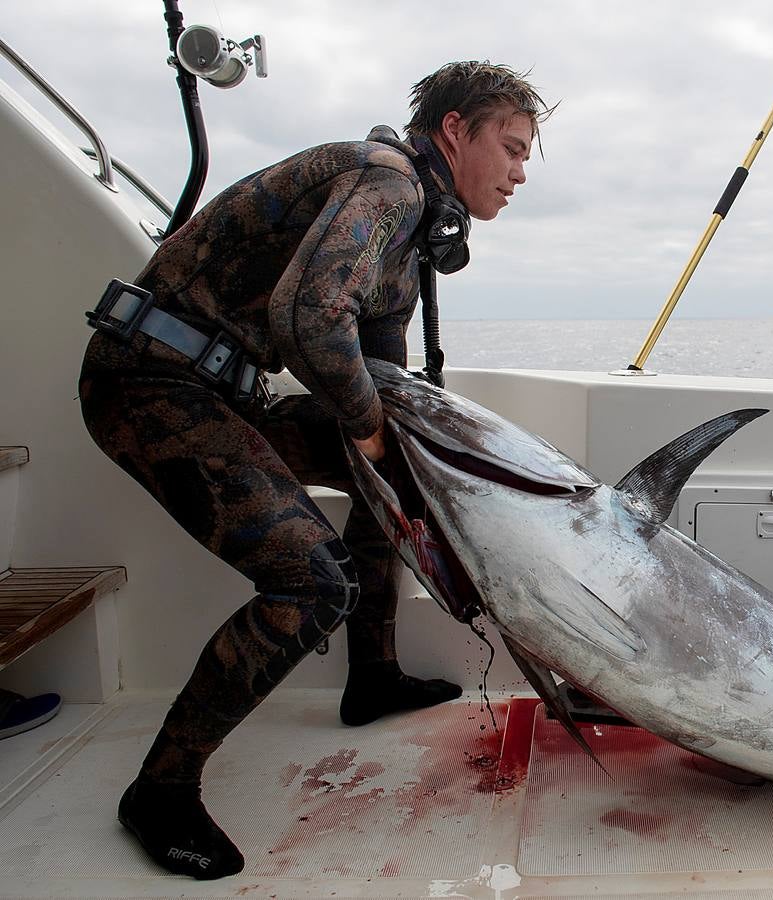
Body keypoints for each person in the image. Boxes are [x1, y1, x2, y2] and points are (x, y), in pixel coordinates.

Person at [77, 62, 549, 880]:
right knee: (312, 582)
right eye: (508, 148)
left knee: (393, 467)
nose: (519, 172)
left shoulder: (408, 243)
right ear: (453, 131)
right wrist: (365, 430)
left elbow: (383, 379)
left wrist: (392, 451)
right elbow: (310, 318)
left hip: (220, 394)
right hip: (147, 383)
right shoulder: (387, 183)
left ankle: (371, 674)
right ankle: (160, 789)